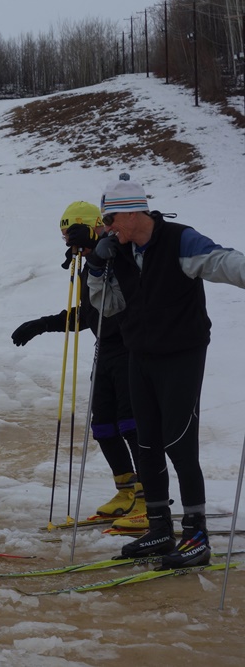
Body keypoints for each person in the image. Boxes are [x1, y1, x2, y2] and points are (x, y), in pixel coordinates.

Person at [87, 176, 245, 569]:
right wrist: (95, 268)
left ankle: (196, 535)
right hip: (139, 354)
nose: (107, 229)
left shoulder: (178, 240)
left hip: (182, 354)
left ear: (131, 212)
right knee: (147, 442)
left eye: (110, 220)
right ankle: (159, 527)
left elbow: (222, 261)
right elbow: (107, 308)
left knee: (178, 441)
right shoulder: (119, 252)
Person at [10, 201, 141, 522]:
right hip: (106, 350)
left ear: (93, 225)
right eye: (65, 237)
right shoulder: (89, 267)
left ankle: (150, 497)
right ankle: (126, 490)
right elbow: (86, 316)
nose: (69, 243)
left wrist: (100, 249)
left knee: (131, 424)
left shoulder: (123, 254)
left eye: (71, 234)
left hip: (132, 348)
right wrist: (40, 325)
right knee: (103, 426)